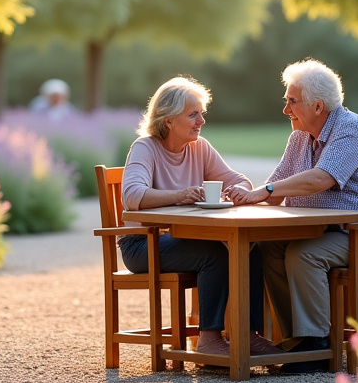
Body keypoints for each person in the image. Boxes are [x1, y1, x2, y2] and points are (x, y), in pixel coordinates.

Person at [226, 60, 358, 374]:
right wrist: (249, 195)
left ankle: (318, 345)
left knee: (304, 253)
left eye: (291, 102)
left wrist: (266, 190)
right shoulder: (299, 137)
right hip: (337, 234)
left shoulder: (350, 128)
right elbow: (278, 186)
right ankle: (299, 339)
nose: (286, 110)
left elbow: (322, 178)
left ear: (318, 106)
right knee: (271, 247)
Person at [119, 77, 279, 357]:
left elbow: (238, 179)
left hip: (182, 240)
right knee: (215, 253)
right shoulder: (145, 147)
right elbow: (132, 194)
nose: (201, 121)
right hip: (142, 245)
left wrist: (239, 190)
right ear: (168, 120)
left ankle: (249, 336)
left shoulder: (199, 148)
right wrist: (180, 195)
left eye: (201, 113)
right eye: (193, 114)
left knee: (250, 248)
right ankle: (209, 339)